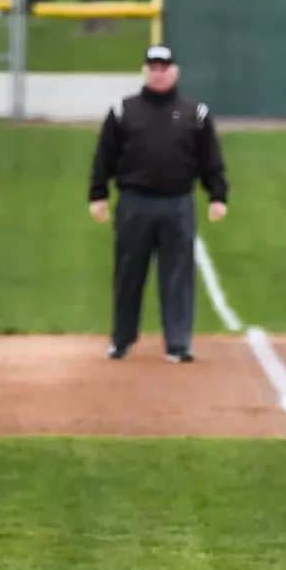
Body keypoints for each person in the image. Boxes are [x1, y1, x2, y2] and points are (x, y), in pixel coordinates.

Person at [89, 45, 228, 362]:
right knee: (128, 274)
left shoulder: (195, 113)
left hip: (177, 202)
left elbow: (210, 158)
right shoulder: (124, 111)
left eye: (164, 67)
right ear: (145, 71)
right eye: (153, 66)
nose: (158, 72)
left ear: (174, 71)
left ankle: (178, 343)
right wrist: (98, 194)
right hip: (134, 203)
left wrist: (217, 194)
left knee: (178, 275)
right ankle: (121, 340)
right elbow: (104, 156)